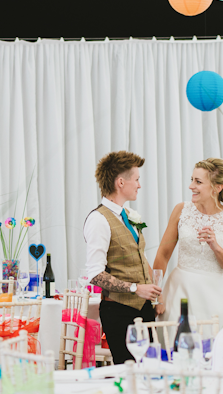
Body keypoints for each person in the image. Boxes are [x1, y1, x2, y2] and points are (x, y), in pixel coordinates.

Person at [83, 151, 162, 364]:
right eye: (136, 179)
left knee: (149, 372)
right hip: (118, 312)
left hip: (144, 308)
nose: (139, 185)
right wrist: (136, 288)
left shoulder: (127, 215)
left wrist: (152, 288)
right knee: (130, 375)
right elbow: (95, 274)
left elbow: (138, 253)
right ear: (120, 182)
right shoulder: (98, 220)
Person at [153, 158, 223, 330]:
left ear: (217, 188)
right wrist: (156, 296)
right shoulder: (181, 210)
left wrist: (216, 247)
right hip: (178, 293)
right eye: (191, 180)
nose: (191, 186)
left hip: (214, 298)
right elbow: (163, 255)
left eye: (198, 182)